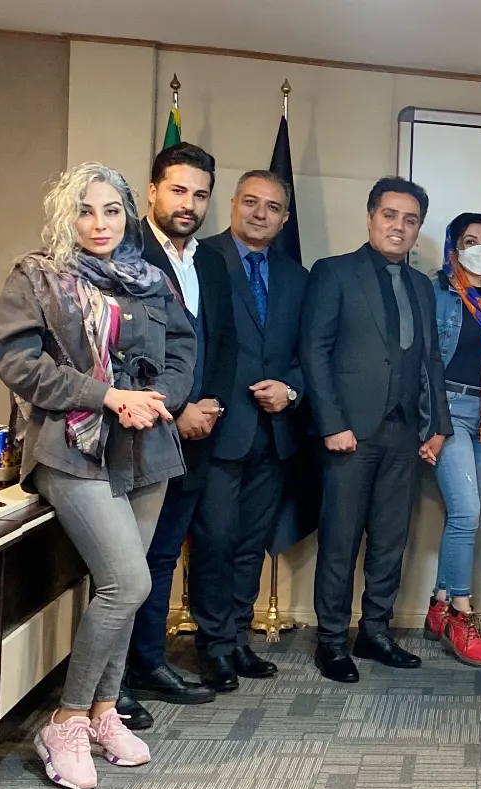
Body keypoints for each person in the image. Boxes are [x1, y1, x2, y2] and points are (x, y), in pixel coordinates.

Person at [0, 162, 196, 789]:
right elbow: (16, 362)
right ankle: (67, 720)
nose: (99, 223)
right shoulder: (38, 275)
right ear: (67, 216)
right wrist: (107, 396)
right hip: (70, 449)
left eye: (111, 210)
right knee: (127, 581)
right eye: (85, 210)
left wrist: (156, 398)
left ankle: (105, 711)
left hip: (146, 446)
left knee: (127, 589)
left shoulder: (150, 278)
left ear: (128, 214)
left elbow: (183, 351)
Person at [300, 176, 451, 683]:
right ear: (370, 218)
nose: (399, 227)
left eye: (410, 220)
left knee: (390, 540)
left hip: (404, 433)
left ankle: (375, 632)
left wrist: (438, 425)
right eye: (390, 215)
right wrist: (332, 423)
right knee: (341, 541)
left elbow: (430, 359)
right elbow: (315, 351)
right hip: (350, 433)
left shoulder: (422, 286)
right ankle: (331, 640)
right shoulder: (334, 272)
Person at [121, 143, 234, 727]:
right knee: (125, 563)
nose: (189, 203)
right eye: (178, 190)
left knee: (163, 555)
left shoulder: (210, 261)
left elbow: (223, 342)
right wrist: (179, 407)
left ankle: (147, 663)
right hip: (140, 434)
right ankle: (110, 682)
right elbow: (120, 354)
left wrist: (209, 406)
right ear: (152, 191)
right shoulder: (124, 251)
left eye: (200, 194)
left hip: (196, 436)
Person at [189, 170, 310, 690]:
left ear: (285, 218)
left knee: (251, 541)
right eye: (251, 202)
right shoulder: (200, 258)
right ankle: (213, 643)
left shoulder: (297, 276)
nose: (260, 214)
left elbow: (311, 352)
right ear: (233, 203)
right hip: (217, 426)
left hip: (274, 431)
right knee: (215, 539)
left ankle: (237, 635)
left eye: (273, 207)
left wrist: (292, 389)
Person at [423, 212, 481, 669]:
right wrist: (433, 424)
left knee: (466, 516)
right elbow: (425, 362)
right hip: (450, 411)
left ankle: (438, 603)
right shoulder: (437, 292)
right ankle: (461, 613)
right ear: (454, 247)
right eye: (469, 240)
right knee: (465, 513)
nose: (480, 249)